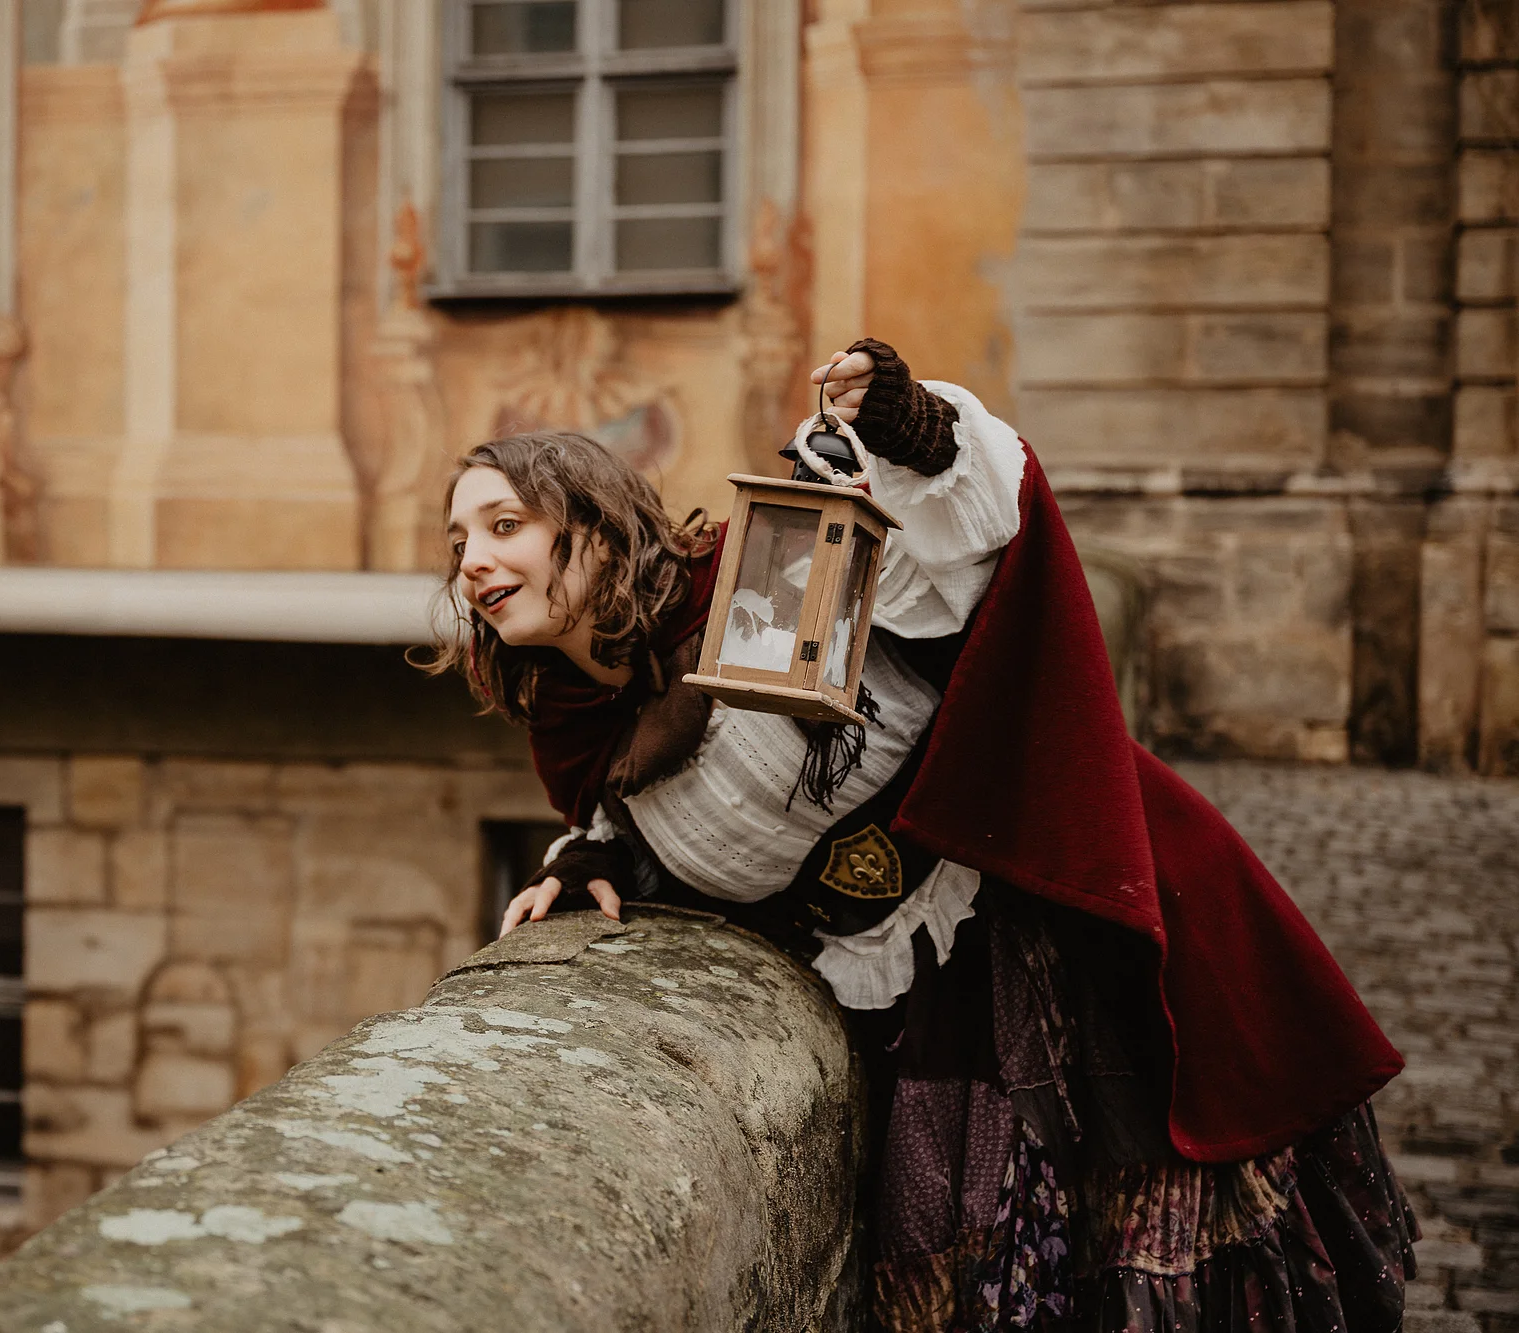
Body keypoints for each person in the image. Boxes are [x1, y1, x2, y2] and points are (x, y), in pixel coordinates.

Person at [429, 341, 1419, 1333]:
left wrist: (910, 429)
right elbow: (646, 816)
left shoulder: (772, 570)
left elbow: (958, 547)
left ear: (597, 525)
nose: (472, 559)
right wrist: (592, 857)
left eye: (505, 525)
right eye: (459, 538)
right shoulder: (580, 729)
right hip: (927, 1012)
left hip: (1057, 914)